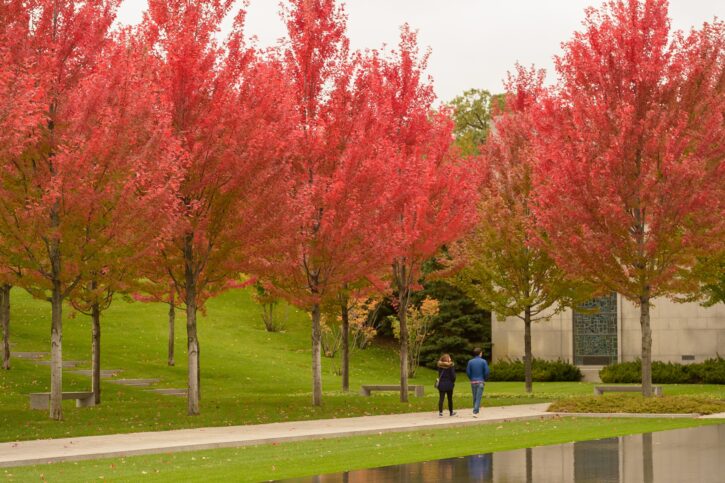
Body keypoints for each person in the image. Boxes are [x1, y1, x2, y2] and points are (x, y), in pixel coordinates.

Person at [466, 347, 490, 418]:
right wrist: (484, 379)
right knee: (478, 397)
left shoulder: (470, 362)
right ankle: (475, 411)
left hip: (473, 381)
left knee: (475, 397)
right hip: (480, 381)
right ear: (480, 353)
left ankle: (475, 410)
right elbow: (487, 372)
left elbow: (468, 372)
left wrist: (471, 378)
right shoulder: (483, 361)